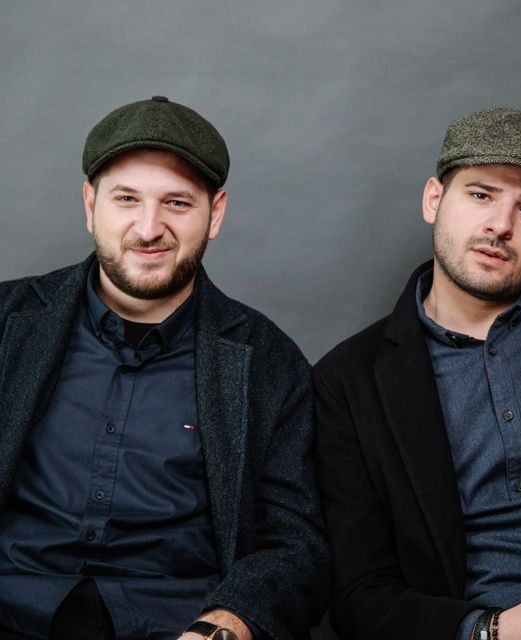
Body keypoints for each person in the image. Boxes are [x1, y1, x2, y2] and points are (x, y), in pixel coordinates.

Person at [0, 96, 329, 640]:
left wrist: (222, 630)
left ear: (215, 213)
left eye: (176, 203)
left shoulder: (269, 360)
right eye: (127, 199)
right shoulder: (9, 323)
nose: (149, 228)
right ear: (90, 204)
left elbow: (295, 545)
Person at [313, 107, 521, 640]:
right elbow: (359, 592)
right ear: (434, 201)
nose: (500, 226)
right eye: (481, 195)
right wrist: (488, 631)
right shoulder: (348, 382)